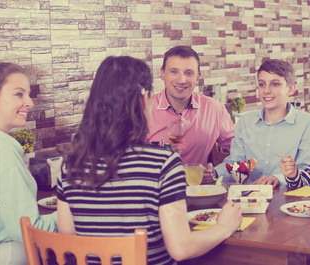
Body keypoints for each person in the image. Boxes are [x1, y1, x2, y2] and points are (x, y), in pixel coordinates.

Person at [57, 56, 243, 265]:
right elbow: (181, 248)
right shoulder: (163, 163)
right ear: (144, 99)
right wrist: (223, 227)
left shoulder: (70, 165)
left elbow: (68, 243)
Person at [0, 63, 57, 265]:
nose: (30, 102)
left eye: (28, 94)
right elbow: (29, 228)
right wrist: (74, 212)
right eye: (19, 94)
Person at [214, 59, 310, 188]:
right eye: (262, 84)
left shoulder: (308, 124)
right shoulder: (245, 122)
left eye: (275, 84)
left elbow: (308, 170)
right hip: (250, 198)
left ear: (291, 89)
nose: (266, 90)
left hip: (289, 198)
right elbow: (236, 164)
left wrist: (278, 178)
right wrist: (214, 172)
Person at [145, 46, 235, 183]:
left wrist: (216, 171)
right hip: (154, 193)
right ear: (162, 74)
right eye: (174, 71)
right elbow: (126, 159)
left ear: (198, 77)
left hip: (200, 195)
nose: (181, 80)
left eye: (189, 73)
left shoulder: (214, 109)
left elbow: (241, 151)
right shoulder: (144, 109)